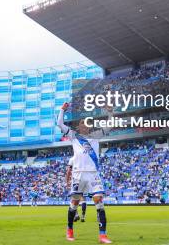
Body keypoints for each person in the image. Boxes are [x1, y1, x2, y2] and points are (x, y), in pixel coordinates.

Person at [57, 102, 111, 243]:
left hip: (93, 174)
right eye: (82, 123)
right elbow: (59, 124)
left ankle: (102, 235)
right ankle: (69, 231)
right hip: (78, 174)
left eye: (87, 123)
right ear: (79, 126)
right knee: (74, 203)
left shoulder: (96, 136)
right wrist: (62, 110)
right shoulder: (74, 136)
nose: (85, 125)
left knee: (99, 201)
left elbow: (110, 125)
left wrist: (110, 112)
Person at [66, 156, 86, 222]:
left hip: (76, 181)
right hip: (84, 180)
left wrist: (67, 182)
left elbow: (68, 171)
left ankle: (76, 215)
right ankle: (83, 216)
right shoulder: (84, 158)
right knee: (83, 199)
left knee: (74, 199)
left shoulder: (72, 159)